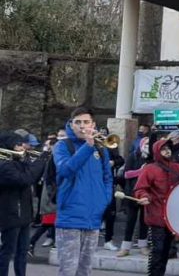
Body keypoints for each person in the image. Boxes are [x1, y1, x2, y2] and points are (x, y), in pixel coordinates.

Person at [53, 107, 113, 276]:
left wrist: (104, 200)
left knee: (85, 270)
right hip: (70, 218)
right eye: (77, 122)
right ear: (71, 125)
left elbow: (107, 178)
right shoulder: (62, 145)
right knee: (68, 271)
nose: (82, 126)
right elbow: (65, 170)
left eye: (86, 122)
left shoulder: (101, 148)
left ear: (93, 125)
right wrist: (87, 146)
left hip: (93, 218)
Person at [134, 139, 179, 276]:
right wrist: (143, 196)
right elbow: (140, 188)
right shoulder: (149, 169)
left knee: (165, 251)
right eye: (163, 149)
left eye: (169, 148)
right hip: (156, 217)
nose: (167, 151)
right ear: (157, 152)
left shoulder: (175, 167)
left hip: (172, 218)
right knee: (157, 251)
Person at [0, 132, 48, 276]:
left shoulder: (19, 161)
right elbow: (26, 179)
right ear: (9, 146)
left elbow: (34, 174)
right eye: (18, 144)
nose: (23, 147)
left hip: (24, 214)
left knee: (22, 251)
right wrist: (42, 158)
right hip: (11, 215)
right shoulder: (4, 165)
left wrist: (33, 158)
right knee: (7, 251)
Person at [117, 136, 150, 257]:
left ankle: (143, 245)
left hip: (146, 194)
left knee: (144, 221)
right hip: (132, 193)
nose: (147, 146)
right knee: (130, 220)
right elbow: (126, 174)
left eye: (149, 144)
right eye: (145, 144)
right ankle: (125, 247)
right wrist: (140, 171)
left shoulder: (152, 159)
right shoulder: (133, 156)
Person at [101, 127, 125, 252]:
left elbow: (120, 159)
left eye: (104, 133)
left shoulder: (109, 145)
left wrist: (112, 162)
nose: (102, 136)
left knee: (111, 213)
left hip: (107, 183)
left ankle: (108, 240)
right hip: (94, 183)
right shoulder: (90, 146)